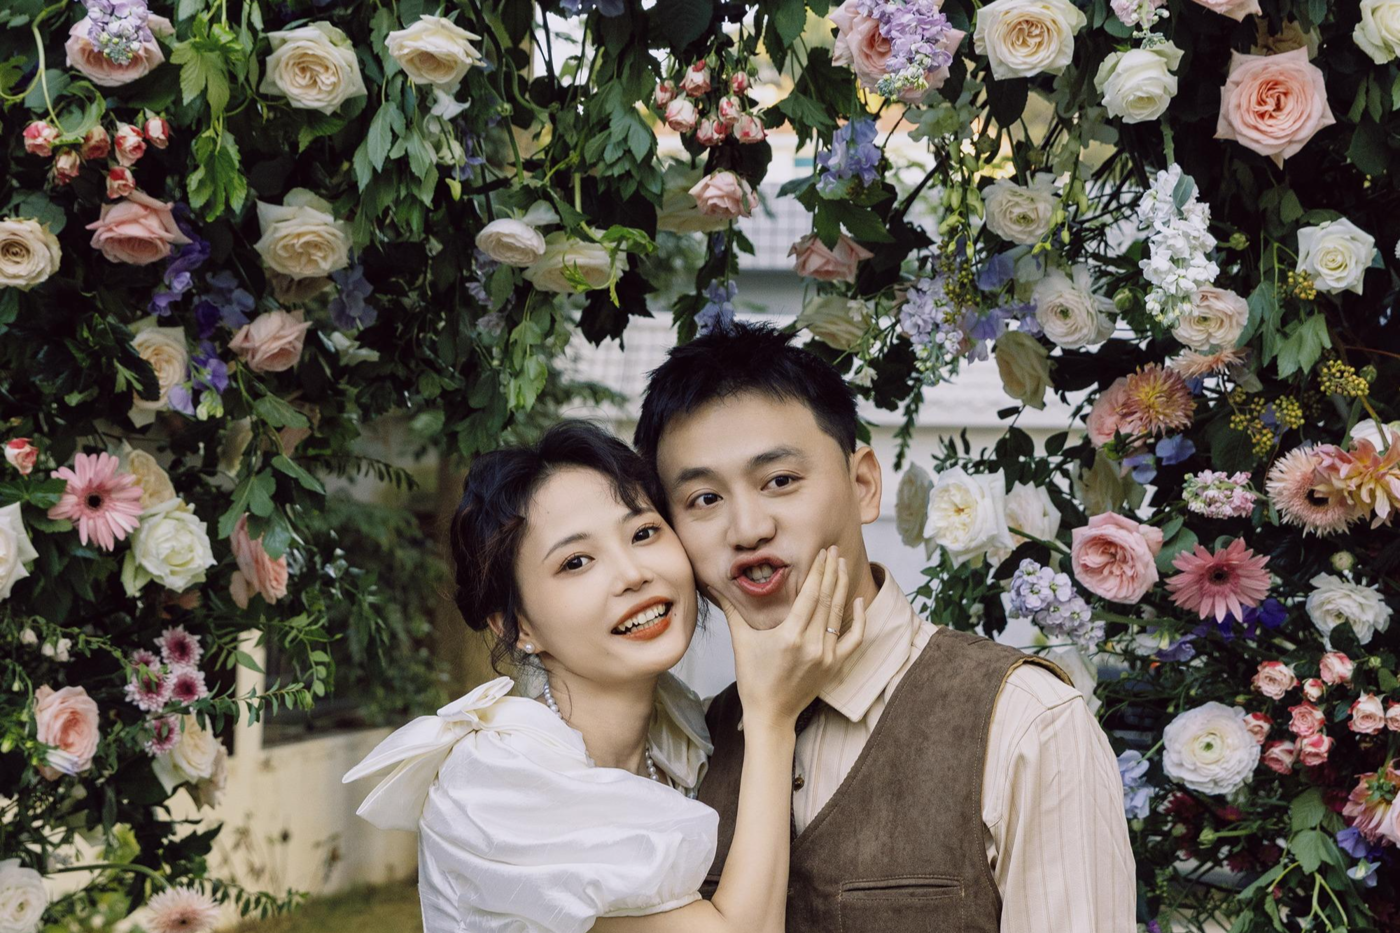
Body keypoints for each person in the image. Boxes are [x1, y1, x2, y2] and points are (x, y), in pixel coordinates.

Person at [632, 321, 1136, 932]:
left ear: (864, 485)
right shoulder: (690, 745)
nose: (747, 529)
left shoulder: (1026, 721)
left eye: (780, 481)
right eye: (704, 500)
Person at [342, 421, 865, 933]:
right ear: (518, 626)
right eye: (576, 562)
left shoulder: (680, 738)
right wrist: (772, 718)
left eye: (643, 533)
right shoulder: (500, 786)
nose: (633, 574)